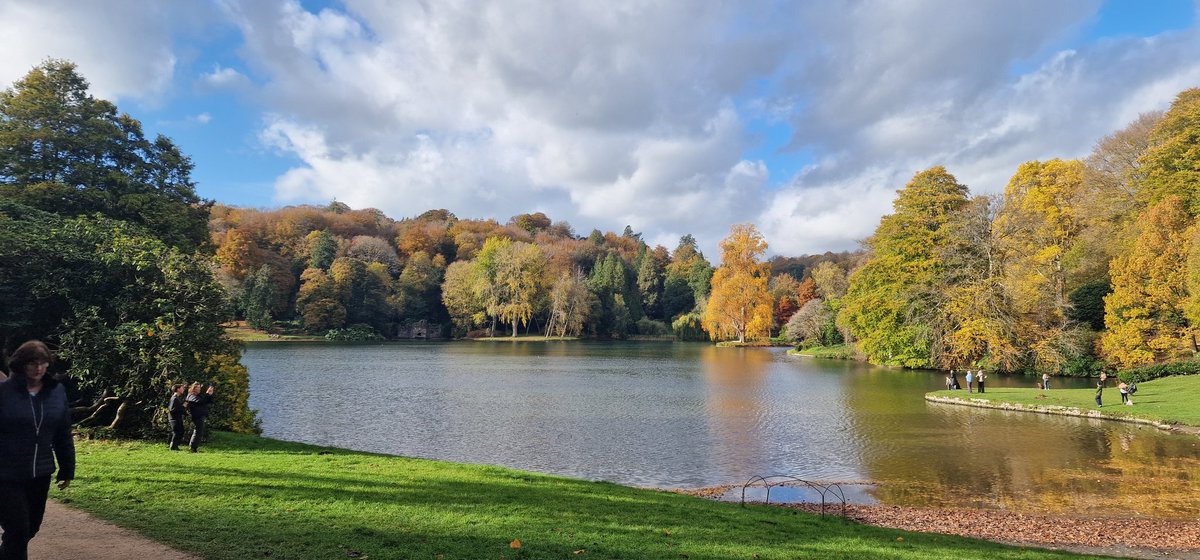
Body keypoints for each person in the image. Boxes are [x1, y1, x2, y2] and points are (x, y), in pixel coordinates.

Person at [0, 341, 75, 560]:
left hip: (40, 473)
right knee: (18, 530)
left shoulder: (56, 392)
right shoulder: (4, 392)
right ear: (21, 364)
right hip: (5, 474)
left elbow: (63, 432)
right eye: (33, 363)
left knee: (30, 528)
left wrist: (67, 469)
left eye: (43, 363)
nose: (39, 368)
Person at [185, 383, 215, 452]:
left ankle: (193, 447)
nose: (199, 389)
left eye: (199, 387)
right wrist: (207, 394)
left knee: (199, 432)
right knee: (198, 432)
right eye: (197, 387)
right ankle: (193, 447)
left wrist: (210, 394)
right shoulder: (191, 396)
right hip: (197, 416)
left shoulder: (198, 395)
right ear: (193, 388)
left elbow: (207, 401)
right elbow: (200, 401)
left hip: (200, 415)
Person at [167, 384, 187, 451]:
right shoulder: (174, 398)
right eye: (182, 388)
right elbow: (172, 409)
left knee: (179, 431)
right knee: (177, 432)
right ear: (178, 389)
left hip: (176, 418)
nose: (183, 389)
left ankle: (173, 446)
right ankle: (173, 447)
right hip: (174, 418)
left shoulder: (176, 398)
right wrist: (183, 406)